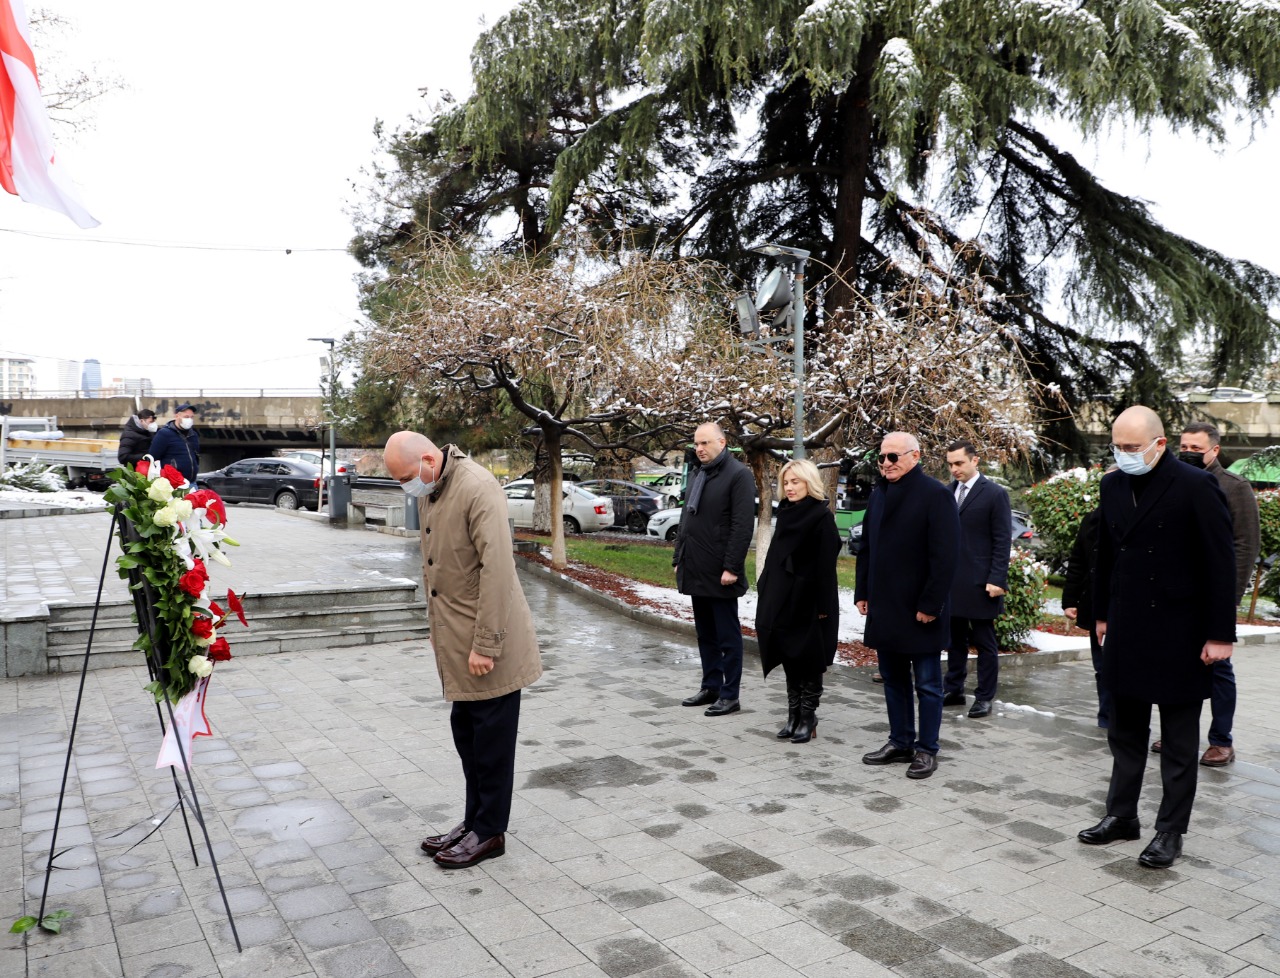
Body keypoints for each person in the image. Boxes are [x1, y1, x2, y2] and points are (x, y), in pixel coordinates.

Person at [1078, 406, 1236, 869]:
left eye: (1132, 447)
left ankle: (1170, 830)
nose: (1123, 455)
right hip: (1126, 625)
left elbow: (1220, 561)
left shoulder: (1195, 485)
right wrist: (1100, 615)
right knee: (1125, 732)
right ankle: (1121, 816)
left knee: (1179, 742)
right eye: (1117, 447)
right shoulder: (1112, 485)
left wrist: (1220, 634)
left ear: (1159, 444)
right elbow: (1106, 554)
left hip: (1179, 630)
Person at [385, 430, 542, 869]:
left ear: (428, 460)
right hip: (457, 638)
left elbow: (497, 570)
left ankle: (490, 832)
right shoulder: (433, 489)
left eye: (405, 478)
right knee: (468, 738)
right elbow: (435, 565)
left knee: (491, 745)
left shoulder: (477, 487)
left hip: (489, 642)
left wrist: (486, 644)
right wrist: (436, 627)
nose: (405, 486)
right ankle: (474, 821)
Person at [1146, 422, 1259, 767]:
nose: (1189, 453)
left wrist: (1228, 599)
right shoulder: (1170, 481)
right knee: (1174, 665)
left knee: (1219, 667)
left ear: (1214, 450)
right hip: (1175, 596)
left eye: (1196, 448)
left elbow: (1245, 546)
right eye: (1184, 447)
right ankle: (1176, 733)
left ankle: (1221, 740)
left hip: (1213, 596)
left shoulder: (1234, 487)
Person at [855, 432, 960, 780]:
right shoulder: (879, 494)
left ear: (915, 456)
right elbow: (866, 548)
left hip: (920, 610)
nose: (886, 463)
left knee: (927, 685)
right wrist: (862, 591)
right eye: (882, 457)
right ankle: (900, 741)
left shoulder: (936, 495)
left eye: (893, 456)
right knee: (893, 679)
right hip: (885, 607)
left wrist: (930, 604)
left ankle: (927, 749)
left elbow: (945, 557)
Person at [755, 459, 841, 743]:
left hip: (811, 600)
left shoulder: (821, 517)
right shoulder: (787, 513)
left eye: (796, 481)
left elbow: (826, 567)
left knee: (810, 658)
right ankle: (793, 714)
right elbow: (775, 558)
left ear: (809, 483)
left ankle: (808, 716)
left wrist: (823, 607)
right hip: (784, 598)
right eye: (786, 482)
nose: (789, 487)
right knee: (789, 654)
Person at [674, 422, 756, 717]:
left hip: (721, 572)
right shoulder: (699, 473)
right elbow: (686, 520)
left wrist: (731, 567)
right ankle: (711, 686)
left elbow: (742, 526)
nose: (699, 449)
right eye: (696, 444)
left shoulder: (739, 475)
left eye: (705, 443)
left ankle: (730, 695)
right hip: (696, 566)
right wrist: (678, 558)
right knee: (705, 634)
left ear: (722, 443)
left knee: (727, 637)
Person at [942, 439, 1012, 718]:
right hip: (952, 581)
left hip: (982, 583)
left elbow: (1002, 540)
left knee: (984, 642)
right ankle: (954, 689)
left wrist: (997, 579)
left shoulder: (994, 494)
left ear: (975, 460)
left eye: (959, 463)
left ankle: (984, 696)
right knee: (954, 640)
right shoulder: (947, 492)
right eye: (950, 464)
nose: (954, 469)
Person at [1061, 506, 1109, 727]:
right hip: (1096, 604)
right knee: (1102, 666)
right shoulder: (1093, 519)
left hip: (1128, 608)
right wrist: (1070, 600)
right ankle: (1106, 716)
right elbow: (1078, 561)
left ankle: (1122, 719)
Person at [149, 403, 201, 485]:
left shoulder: (193, 434)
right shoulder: (164, 434)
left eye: (191, 417)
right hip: (173, 484)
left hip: (191, 482)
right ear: (177, 416)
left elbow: (196, 455)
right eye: (186, 417)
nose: (189, 420)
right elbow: (153, 457)